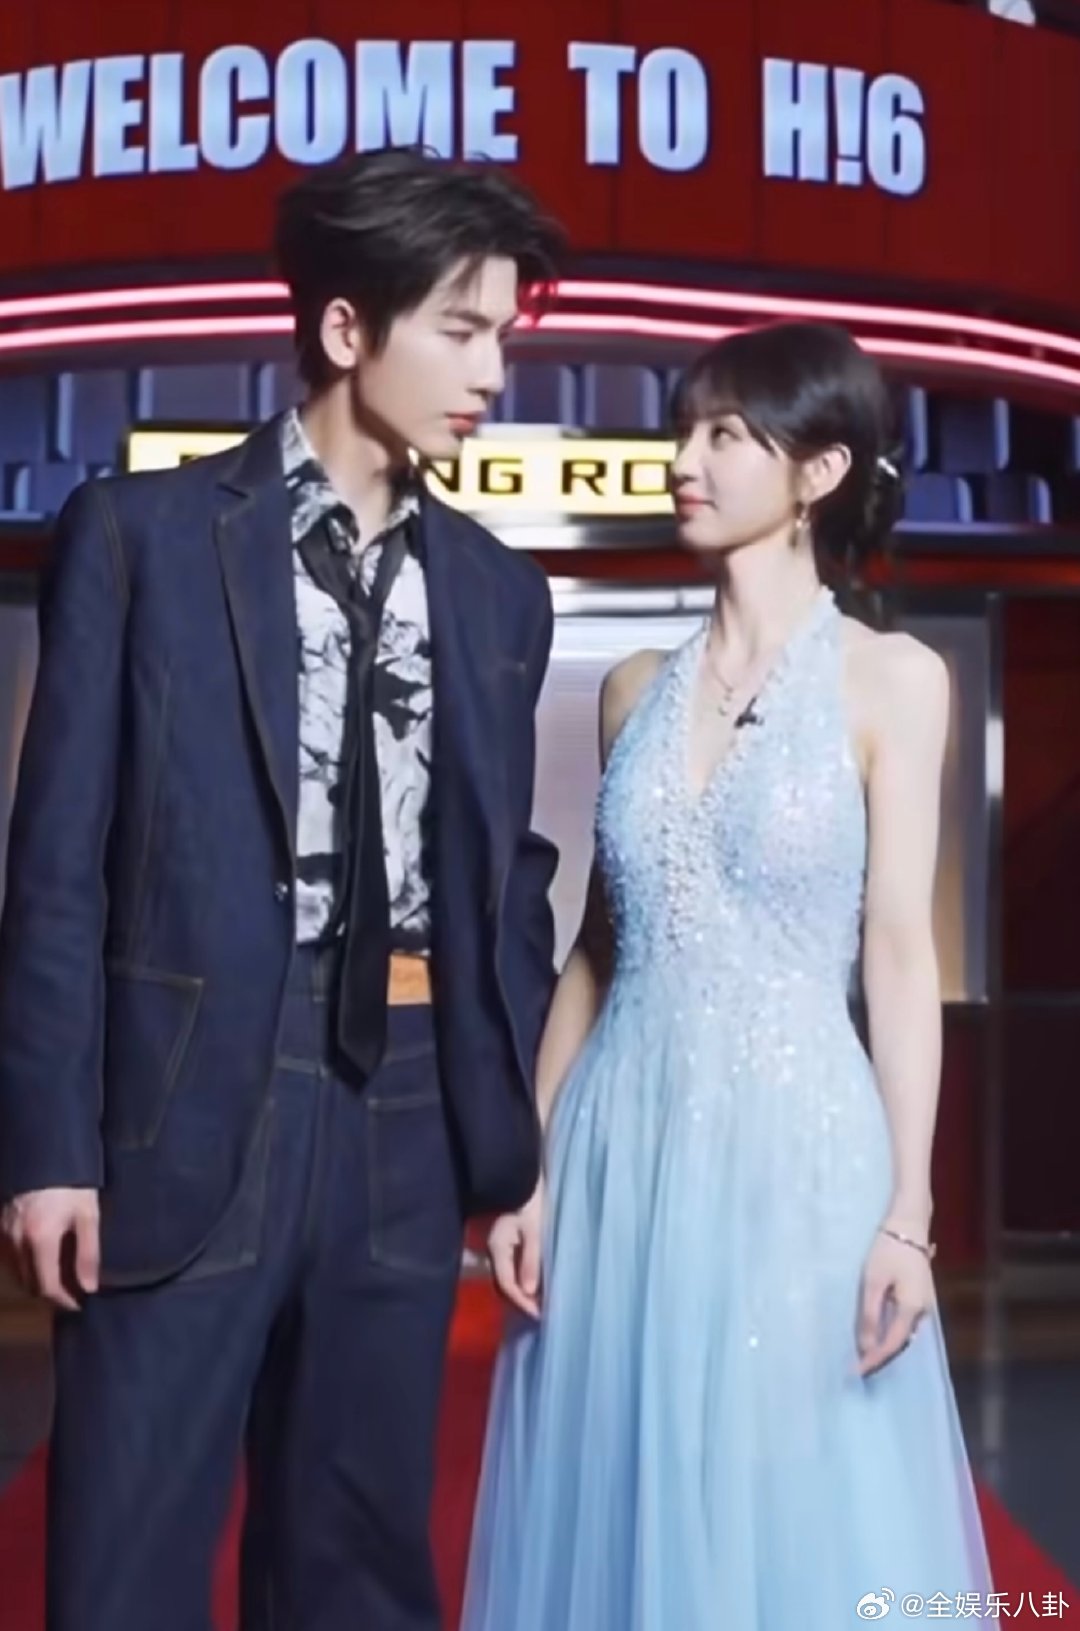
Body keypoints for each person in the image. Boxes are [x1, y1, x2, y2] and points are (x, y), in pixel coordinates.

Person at [0, 146, 563, 1631]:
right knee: (126, 1548)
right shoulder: (142, 538)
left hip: (406, 1101)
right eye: (461, 328)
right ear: (343, 327)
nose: (492, 372)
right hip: (187, 1090)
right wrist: (49, 1149)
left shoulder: (498, 592)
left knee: (356, 1553)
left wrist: (511, 1143)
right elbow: (55, 869)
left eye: (504, 332)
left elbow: (503, 879)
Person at [462, 321, 992, 1630]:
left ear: (820, 472)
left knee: (789, 1499)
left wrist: (909, 1213)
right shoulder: (631, 689)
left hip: (797, 1152)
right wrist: (533, 1168)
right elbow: (597, 950)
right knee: (621, 1503)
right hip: (620, 1148)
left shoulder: (894, 680)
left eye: (724, 437)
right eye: (683, 432)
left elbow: (899, 952)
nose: (683, 462)